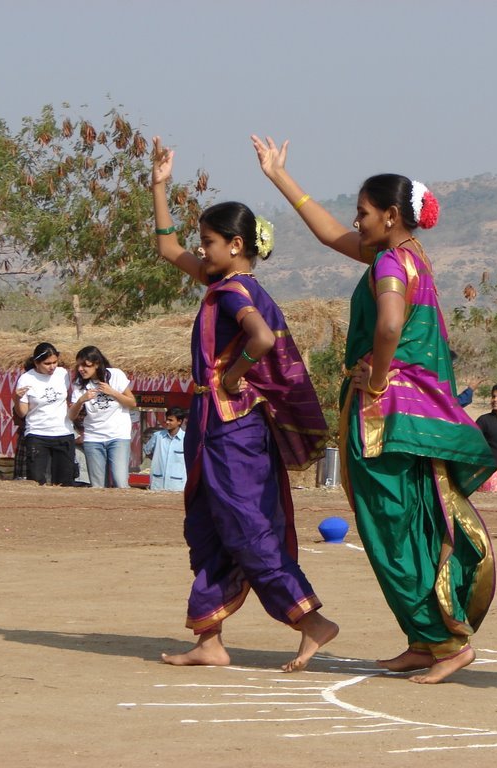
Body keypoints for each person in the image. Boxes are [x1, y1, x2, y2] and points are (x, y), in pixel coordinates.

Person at [254, 134, 497, 684]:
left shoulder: (389, 262)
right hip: (410, 416)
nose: (355, 221)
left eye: (363, 212)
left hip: (384, 417)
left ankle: (446, 642)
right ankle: (423, 639)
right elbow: (328, 233)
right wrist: (279, 176)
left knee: (391, 528)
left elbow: (388, 325)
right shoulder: (409, 257)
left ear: (390, 215)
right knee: (406, 524)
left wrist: (380, 376)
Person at [152, 136, 337, 672]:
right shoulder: (221, 283)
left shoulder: (234, 292)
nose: (200, 250)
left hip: (232, 427)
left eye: (208, 242)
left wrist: (231, 377)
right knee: (209, 523)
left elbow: (260, 339)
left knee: (245, 525)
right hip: (212, 424)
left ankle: (310, 620)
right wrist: (159, 186)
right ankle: (209, 639)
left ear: (235, 244)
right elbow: (167, 249)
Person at [67, 346, 137, 489]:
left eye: (85, 365)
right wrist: (81, 400)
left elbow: (132, 403)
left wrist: (113, 392)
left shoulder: (115, 375)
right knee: (98, 486)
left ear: (97, 364)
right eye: (78, 365)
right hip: (93, 438)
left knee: (120, 482)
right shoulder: (79, 384)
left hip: (118, 436)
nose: (81, 369)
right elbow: (71, 416)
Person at [12, 342, 75, 486]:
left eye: (55, 362)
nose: (52, 367)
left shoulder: (63, 374)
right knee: (37, 480)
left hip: (63, 432)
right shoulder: (26, 379)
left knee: (65, 482)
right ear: (36, 362)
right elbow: (22, 413)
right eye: (47, 363)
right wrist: (16, 399)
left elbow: (69, 399)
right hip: (37, 434)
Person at [144, 407, 187, 491]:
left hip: (177, 485)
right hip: (157, 484)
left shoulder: (186, 439)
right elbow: (147, 451)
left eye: (170, 420)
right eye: (167, 419)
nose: (167, 422)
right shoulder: (157, 436)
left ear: (179, 422)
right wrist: (157, 459)